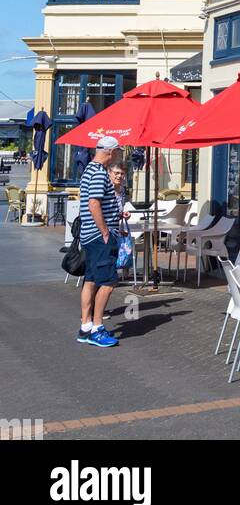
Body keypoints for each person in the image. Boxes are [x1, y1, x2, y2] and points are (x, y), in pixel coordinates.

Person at [77, 136, 122, 347]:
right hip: (99, 236)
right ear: (111, 152)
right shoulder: (97, 173)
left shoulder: (89, 170)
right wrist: (105, 231)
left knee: (92, 279)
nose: (119, 155)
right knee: (108, 281)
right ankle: (97, 328)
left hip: (90, 235)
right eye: (118, 151)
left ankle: (85, 326)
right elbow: (94, 203)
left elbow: (96, 203)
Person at [109, 160, 133, 279]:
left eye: (122, 173)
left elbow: (119, 208)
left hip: (117, 225)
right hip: (107, 227)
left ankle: (117, 275)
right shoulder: (107, 188)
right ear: (110, 173)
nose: (119, 176)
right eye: (116, 173)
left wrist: (123, 214)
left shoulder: (122, 189)